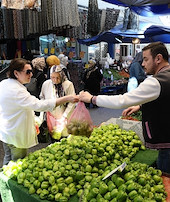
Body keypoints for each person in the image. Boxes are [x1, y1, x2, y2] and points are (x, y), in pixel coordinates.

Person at [79, 42, 170, 174]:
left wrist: (92, 99)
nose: (142, 64)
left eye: (145, 59)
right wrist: (140, 105)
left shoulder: (156, 81)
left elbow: (123, 100)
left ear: (158, 58)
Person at [0, 58, 79, 165]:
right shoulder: (17, 91)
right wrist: (66, 98)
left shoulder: (4, 83)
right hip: (16, 133)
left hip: (7, 130)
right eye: (28, 72)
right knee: (17, 163)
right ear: (16, 73)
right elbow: (39, 105)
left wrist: (35, 120)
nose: (31, 74)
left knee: (8, 158)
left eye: (31, 71)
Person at [40, 65, 76, 140]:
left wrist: (65, 116)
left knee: (64, 137)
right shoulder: (46, 84)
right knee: (53, 135)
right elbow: (42, 97)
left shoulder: (68, 84)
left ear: (62, 76)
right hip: (50, 115)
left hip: (64, 115)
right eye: (53, 77)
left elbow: (72, 102)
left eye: (58, 78)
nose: (55, 80)